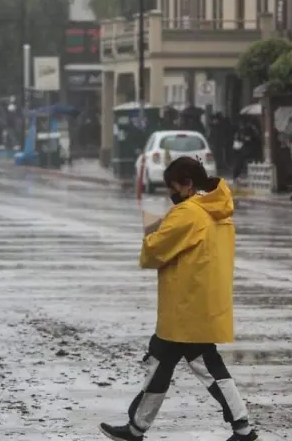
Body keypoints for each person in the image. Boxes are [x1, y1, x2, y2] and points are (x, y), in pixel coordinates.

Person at [99, 156, 258, 441]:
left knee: (206, 366)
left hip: (186, 308)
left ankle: (242, 427)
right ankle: (136, 428)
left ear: (185, 185)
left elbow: (154, 251)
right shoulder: (215, 210)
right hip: (195, 303)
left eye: (172, 187)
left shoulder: (188, 213)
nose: (170, 193)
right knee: (160, 362)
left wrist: (151, 231)